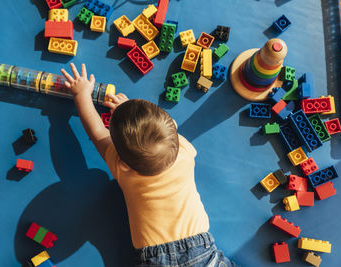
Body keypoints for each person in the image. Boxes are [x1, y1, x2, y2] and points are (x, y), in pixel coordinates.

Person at [61, 63, 239, 267]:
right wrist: (129, 110)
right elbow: (168, 125)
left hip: (155, 259)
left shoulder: (124, 170)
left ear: (123, 159)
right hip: (201, 252)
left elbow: (97, 132)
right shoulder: (185, 152)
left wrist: (81, 94)